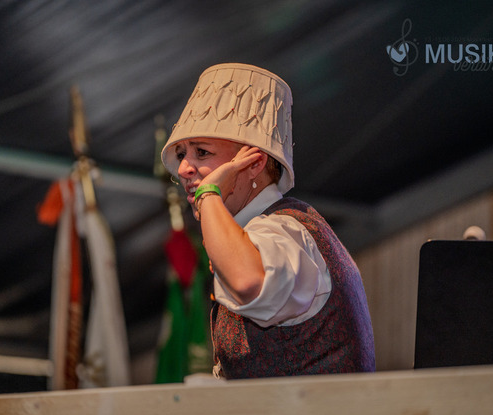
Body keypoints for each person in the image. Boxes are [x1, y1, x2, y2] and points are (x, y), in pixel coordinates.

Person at [161, 63, 375, 379]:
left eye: (202, 152)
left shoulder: (283, 231)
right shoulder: (273, 227)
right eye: (182, 154)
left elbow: (248, 281)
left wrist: (209, 194)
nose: (183, 169)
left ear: (253, 164)